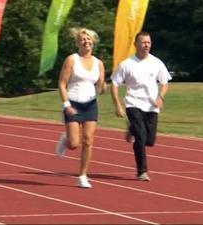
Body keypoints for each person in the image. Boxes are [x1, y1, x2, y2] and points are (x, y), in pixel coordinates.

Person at [111, 31, 172, 181]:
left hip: (151, 106)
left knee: (149, 140)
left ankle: (131, 129)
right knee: (141, 137)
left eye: (148, 42)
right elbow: (114, 84)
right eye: (143, 42)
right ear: (136, 44)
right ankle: (142, 171)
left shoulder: (156, 62)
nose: (146, 45)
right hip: (133, 103)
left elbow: (165, 82)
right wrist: (118, 105)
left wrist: (161, 98)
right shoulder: (127, 64)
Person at [55, 27, 106, 188]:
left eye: (89, 39)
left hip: (90, 104)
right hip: (73, 103)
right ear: (78, 43)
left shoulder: (99, 63)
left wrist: (103, 87)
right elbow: (62, 83)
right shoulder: (72, 59)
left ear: (93, 42)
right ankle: (66, 139)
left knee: (89, 140)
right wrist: (66, 104)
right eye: (83, 39)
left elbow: (100, 85)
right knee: (74, 144)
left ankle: (83, 175)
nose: (86, 41)